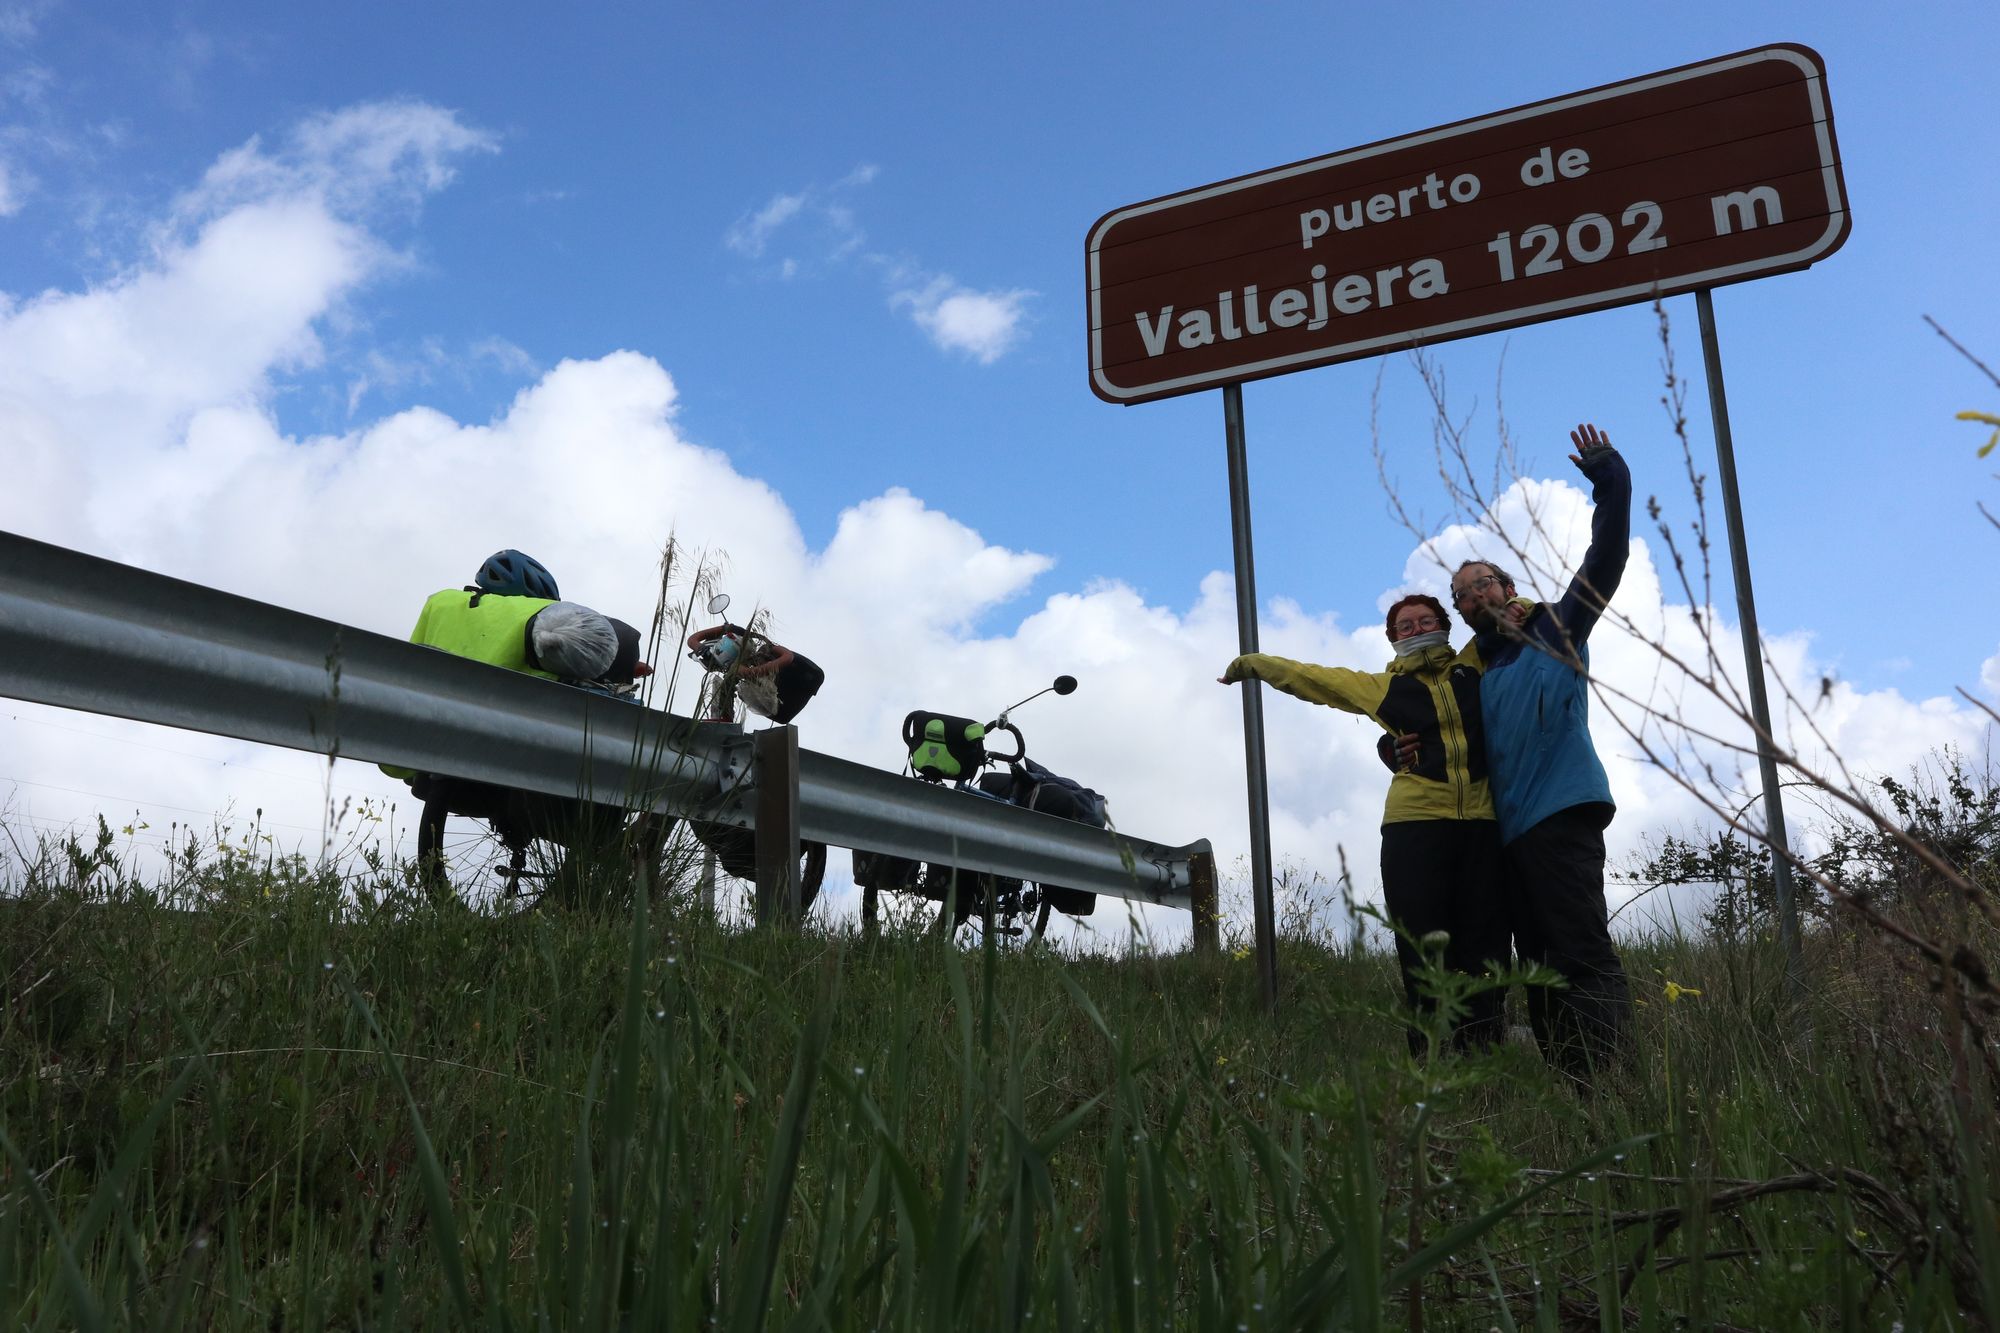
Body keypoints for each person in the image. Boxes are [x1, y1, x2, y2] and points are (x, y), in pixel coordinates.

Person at [1220, 593, 1507, 1055]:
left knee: (1487, 946)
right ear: (1392, 638)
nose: (1416, 630)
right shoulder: (1381, 687)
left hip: (1483, 823)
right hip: (1413, 827)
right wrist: (1253, 664)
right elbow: (1314, 680)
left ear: (1446, 626)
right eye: (1405, 626)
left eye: (1425, 621)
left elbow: (1511, 616)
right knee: (1421, 948)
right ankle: (1430, 1063)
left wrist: (1526, 606)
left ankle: (1486, 1056)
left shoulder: (1475, 663)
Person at [1443, 422, 1633, 1081]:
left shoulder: (1557, 625)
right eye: (1461, 593)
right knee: (1540, 971)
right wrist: (1394, 746)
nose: (1473, 595)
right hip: (1509, 839)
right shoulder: (1476, 676)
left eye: (1482, 582)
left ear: (1508, 585)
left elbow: (1604, 562)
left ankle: (1611, 1085)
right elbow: (1441, 739)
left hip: (1562, 816)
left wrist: (1611, 480)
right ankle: (1570, 1090)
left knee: (1580, 954)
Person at [383, 550, 656, 890]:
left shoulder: (440, 604)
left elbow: (411, 665)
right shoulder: (544, 616)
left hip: (436, 755)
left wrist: (406, 762)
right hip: (516, 758)